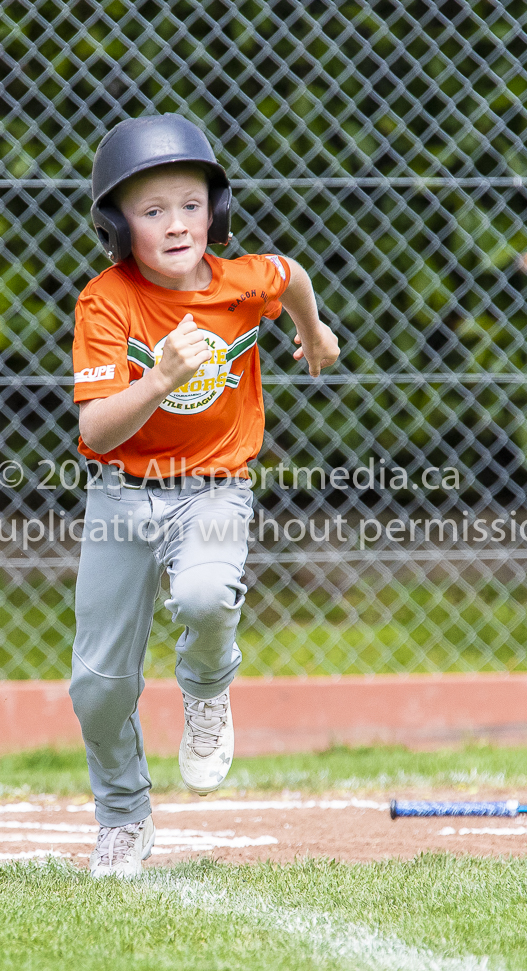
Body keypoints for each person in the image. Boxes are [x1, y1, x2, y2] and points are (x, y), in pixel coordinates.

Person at [70, 113, 339, 877]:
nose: (177, 223)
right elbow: (98, 426)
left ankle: (207, 691)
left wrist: (314, 335)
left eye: (190, 205)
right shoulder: (106, 302)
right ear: (120, 226)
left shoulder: (240, 282)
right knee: (97, 686)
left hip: (216, 486)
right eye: (152, 211)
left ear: (215, 213)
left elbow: (291, 278)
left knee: (204, 595)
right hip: (123, 494)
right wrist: (159, 379)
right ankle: (124, 817)